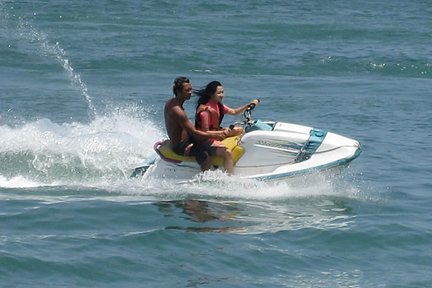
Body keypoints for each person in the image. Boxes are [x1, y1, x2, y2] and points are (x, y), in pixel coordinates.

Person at [164, 76, 230, 172]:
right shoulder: (177, 110)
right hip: (180, 146)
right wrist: (216, 134)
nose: (190, 92)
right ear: (179, 92)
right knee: (205, 156)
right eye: (187, 90)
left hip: (188, 139)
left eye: (190, 89)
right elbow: (195, 133)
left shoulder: (173, 102)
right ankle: (204, 179)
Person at [194, 81, 259, 137]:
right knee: (238, 131)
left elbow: (234, 112)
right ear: (211, 94)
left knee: (240, 130)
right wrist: (222, 132)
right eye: (219, 93)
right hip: (206, 137)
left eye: (222, 92)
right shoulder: (205, 111)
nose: (222, 95)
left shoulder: (218, 105)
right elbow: (205, 132)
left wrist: (248, 105)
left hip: (216, 132)